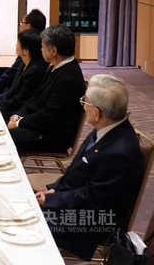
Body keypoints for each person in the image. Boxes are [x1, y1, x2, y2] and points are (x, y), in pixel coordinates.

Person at [35, 74, 143, 260]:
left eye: (85, 101)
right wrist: (54, 191)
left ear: (96, 112)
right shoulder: (108, 128)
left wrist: (52, 201)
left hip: (95, 221)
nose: (83, 105)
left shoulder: (119, 153)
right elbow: (77, 174)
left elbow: (92, 199)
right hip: (81, 204)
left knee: (27, 222)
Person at [7, 24, 86, 154]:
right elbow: (36, 99)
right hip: (44, 127)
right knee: (1, 126)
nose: (41, 49)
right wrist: (18, 115)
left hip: (53, 136)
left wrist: (19, 123)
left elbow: (49, 116)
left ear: (53, 51)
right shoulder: (56, 67)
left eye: (42, 46)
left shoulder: (68, 78)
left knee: (3, 137)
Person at [0, 8, 46, 97]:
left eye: (21, 23)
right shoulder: (38, 45)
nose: (20, 26)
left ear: (29, 26)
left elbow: (12, 75)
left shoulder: (32, 51)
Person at [0, 28, 48, 121]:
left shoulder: (35, 71)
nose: (16, 45)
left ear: (26, 51)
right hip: (10, 103)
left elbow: (20, 100)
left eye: (18, 43)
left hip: (18, 112)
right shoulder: (23, 63)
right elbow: (13, 90)